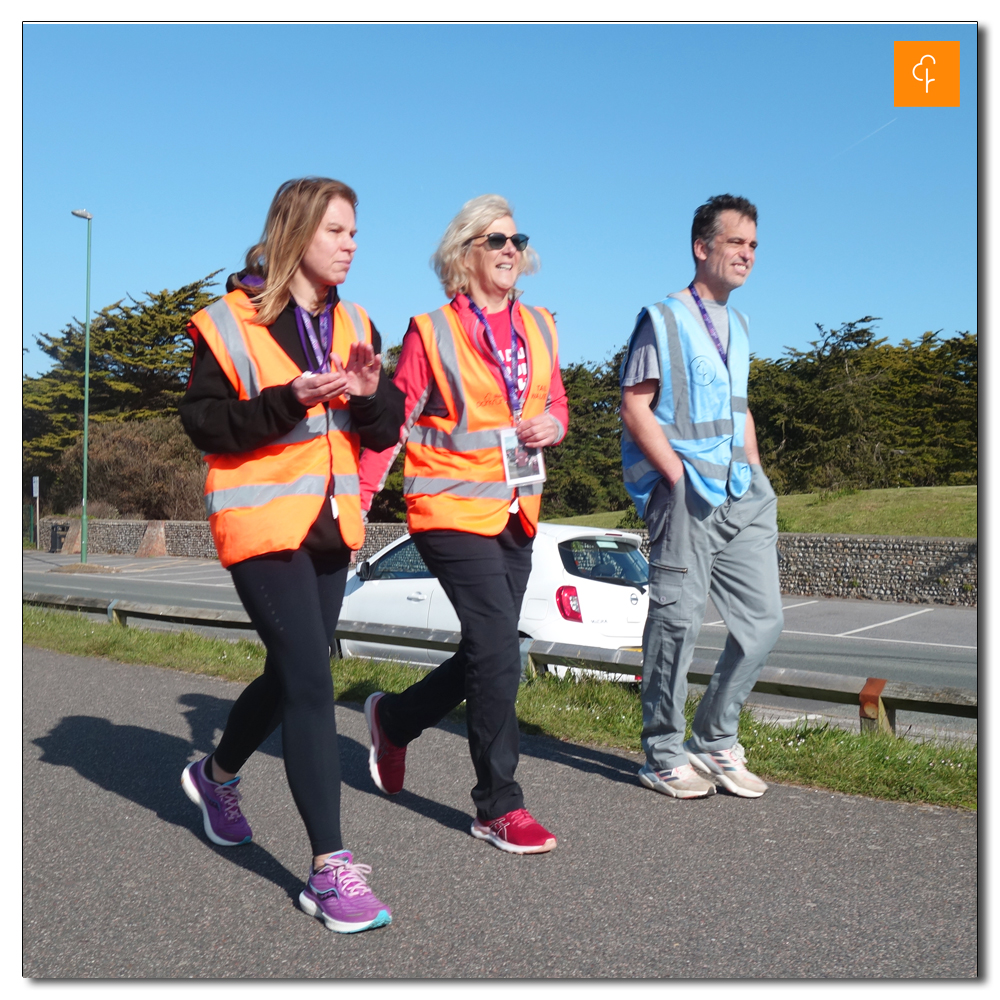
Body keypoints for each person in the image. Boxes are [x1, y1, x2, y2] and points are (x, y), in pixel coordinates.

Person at [178, 177, 404, 932]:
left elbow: (380, 429)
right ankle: (329, 873)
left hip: (330, 530)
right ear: (296, 232)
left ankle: (215, 777)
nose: (351, 244)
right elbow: (206, 426)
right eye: (338, 230)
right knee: (312, 679)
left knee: (285, 677)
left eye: (354, 232)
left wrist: (371, 395)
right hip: (262, 531)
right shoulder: (230, 322)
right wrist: (290, 399)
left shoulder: (356, 321)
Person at [358, 194, 569, 854]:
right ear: (464, 253)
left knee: (493, 648)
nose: (509, 249)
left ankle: (395, 720)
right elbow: (390, 422)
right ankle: (497, 805)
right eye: (493, 240)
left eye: (515, 239)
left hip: (516, 509)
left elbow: (555, 403)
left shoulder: (540, 326)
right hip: (448, 511)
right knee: (497, 648)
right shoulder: (432, 330)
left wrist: (553, 425)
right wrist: (353, 503)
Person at [619, 194, 783, 800]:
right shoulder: (662, 319)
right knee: (678, 622)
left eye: (754, 245)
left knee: (764, 622)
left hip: (744, 493)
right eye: (737, 242)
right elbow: (636, 405)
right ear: (702, 247)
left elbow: (738, 408)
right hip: (684, 491)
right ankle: (662, 751)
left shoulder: (739, 325)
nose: (748, 254)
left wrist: (757, 471)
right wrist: (676, 476)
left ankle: (715, 741)